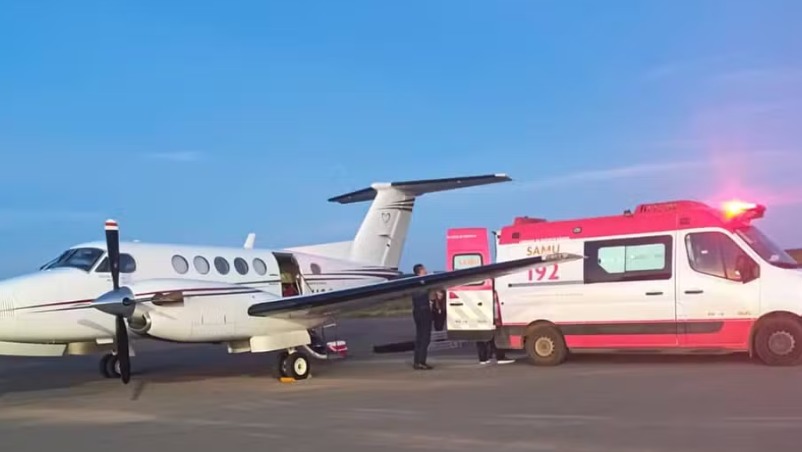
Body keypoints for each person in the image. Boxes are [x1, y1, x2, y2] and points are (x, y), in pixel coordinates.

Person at [411, 263, 433, 370]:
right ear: (420, 271)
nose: (426, 271)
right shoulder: (421, 283)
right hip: (423, 311)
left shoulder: (413, 282)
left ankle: (417, 361)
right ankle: (421, 361)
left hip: (417, 311)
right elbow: (422, 293)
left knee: (419, 336)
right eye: (424, 269)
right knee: (425, 337)